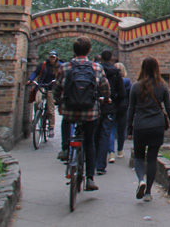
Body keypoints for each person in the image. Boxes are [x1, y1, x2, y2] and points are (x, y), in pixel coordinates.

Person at [54, 36, 111, 192]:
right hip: (90, 111)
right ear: (89, 50)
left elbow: (57, 88)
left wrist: (59, 102)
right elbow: (105, 88)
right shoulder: (96, 67)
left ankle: (65, 149)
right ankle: (90, 178)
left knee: (66, 120)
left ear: (73, 50)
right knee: (90, 142)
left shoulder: (65, 67)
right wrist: (106, 99)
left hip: (70, 110)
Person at [127, 57, 170, 202]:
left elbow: (131, 109)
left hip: (140, 125)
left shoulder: (136, 86)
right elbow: (169, 108)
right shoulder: (162, 86)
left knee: (139, 156)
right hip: (157, 126)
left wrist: (128, 129)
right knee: (152, 158)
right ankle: (148, 192)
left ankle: (141, 180)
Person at [95, 50, 125, 175]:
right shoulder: (116, 73)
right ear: (112, 58)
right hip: (110, 106)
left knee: (95, 134)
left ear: (101, 58)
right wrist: (115, 104)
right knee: (105, 135)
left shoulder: (96, 70)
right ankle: (101, 165)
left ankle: (92, 162)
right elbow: (122, 93)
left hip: (96, 106)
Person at [28, 50, 61, 131]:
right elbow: (36, 72)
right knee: (37, 102)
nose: (51, 59)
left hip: (51, 88)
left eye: (53, 57)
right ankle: (37, 116)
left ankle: (51, 126)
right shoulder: (44, 64)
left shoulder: (59, 66)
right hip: (42, 86)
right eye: (50, 57)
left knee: (50, 109)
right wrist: (30, 79)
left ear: (56, 58)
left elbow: (61, 76)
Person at [111, 62, 131, 160]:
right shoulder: (128, 82)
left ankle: (111, 152)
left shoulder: (111, 81)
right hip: (123, 108)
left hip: (113, 107)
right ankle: (120, 151)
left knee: (112, 130)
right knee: (122, 130)